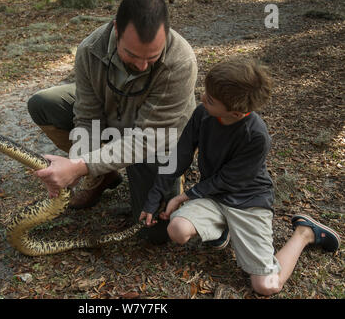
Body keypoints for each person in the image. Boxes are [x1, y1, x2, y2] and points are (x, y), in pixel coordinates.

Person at [139, 58, 341, 295]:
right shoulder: (203, 114)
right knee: (178, 230)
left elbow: (228, 179)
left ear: (236, 112)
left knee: (266, 286)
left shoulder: (256, 136)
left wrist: (184, 196)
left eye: (211, 99)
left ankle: (304, 233)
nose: (202, 98)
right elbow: (180, 156)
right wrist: (155, 197)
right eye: (206, 92)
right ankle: (222, 230)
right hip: (213, 197)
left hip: (247, 201)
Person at [27, 0, 198, 243]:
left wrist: (79, 166)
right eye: (131, 54)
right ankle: (103, 174)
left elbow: (148, 139)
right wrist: (78, 163)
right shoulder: (90, 49)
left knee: (155, 234)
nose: (141, 65)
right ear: (116, 29)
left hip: (157, 142)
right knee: (44, 104)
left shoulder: (180, 60)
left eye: (151, 58)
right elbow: (87, 118)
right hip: (115, 123)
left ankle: (171, 173)